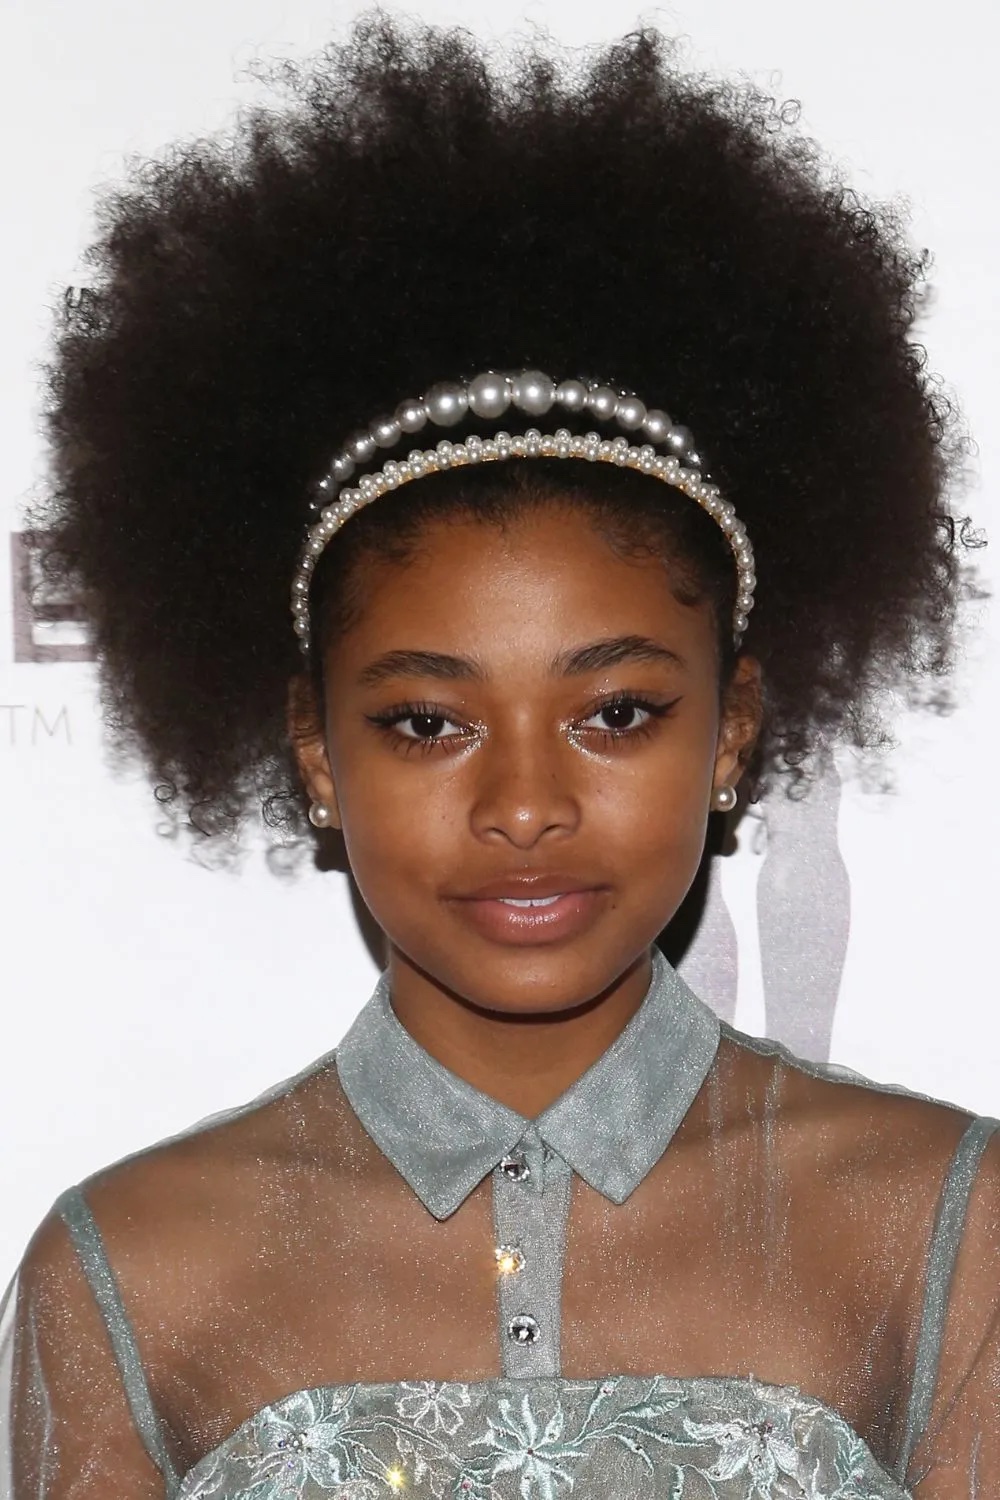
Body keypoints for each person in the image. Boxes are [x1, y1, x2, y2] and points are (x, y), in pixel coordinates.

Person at [1, 14, 995, 1499]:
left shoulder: (949, 1231)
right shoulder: (129, 1276)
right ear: (315, 751)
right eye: (426, 722)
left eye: (617, 714)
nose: (526, 806)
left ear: (732, 730)